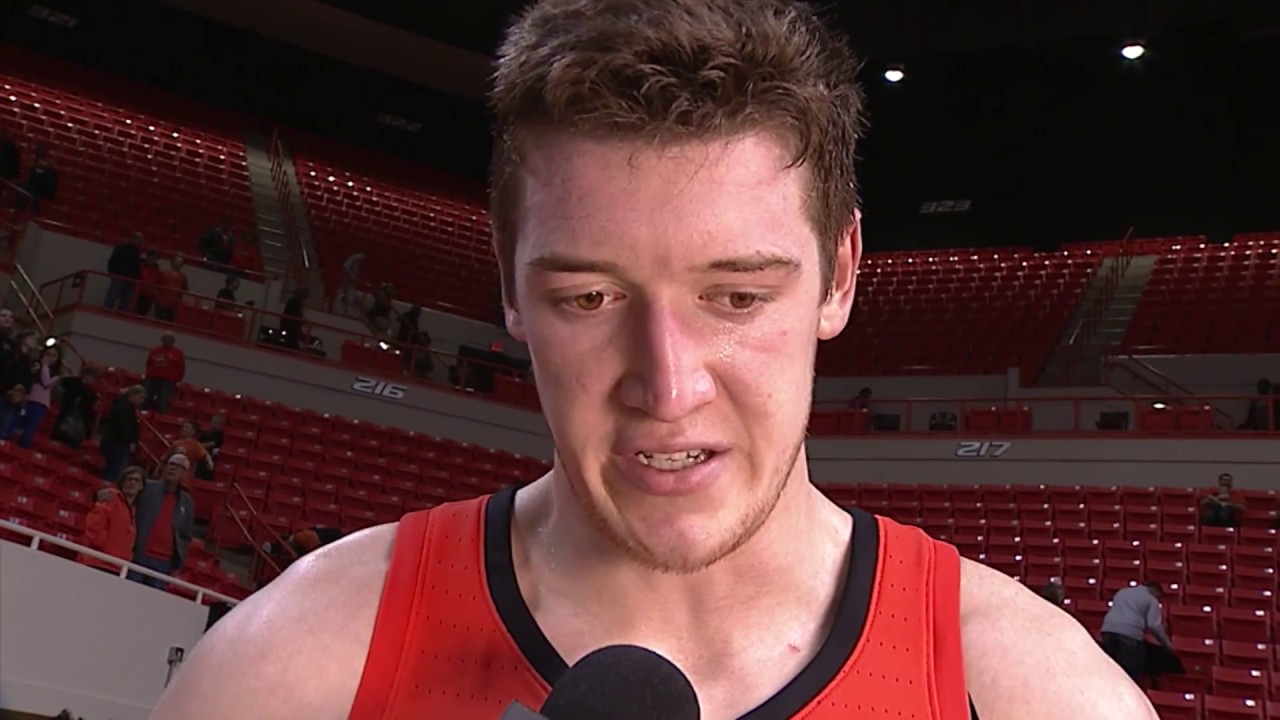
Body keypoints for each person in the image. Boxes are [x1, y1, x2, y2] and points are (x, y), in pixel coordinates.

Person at [151, 2, 1156, 719]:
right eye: (588, 299)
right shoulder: (290, 670)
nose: (667, 388)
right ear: (508, 285)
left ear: (839, 275)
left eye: (736, 297)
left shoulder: (1033, 694)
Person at [130, 454, 196, 589]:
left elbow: (185, 535)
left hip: (165, 563)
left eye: (178, 466)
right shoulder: (147, 488)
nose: (172, 468)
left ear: (184, 473)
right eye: (170, 464)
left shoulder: (187, 503)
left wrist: (178, 561)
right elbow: (125, 497)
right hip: (139, 556)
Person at [1100, 583, 1175, 686]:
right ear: (1156, 592)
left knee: (1110, 666)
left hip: (1108, 630)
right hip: (1129, 634)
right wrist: (1167, 644)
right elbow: (1154, 625)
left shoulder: (1122, 592)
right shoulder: (1151, 599)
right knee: (1131, 672)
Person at [78, 466, 144, 573]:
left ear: (141, 486)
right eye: (129, 479)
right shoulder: (110, 498)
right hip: (98, 562)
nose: (132, 483)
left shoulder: (132, 511)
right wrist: (111, 553)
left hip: (115, 566)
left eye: (136, 480)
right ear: (122, 482)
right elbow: (94, 529)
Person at [8, 344, 61, 448]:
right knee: (14, 424)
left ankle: (23, 451)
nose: (50, 357)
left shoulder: (56, 374)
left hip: (40, 404)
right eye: (48, 354)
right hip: (26, 400)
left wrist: (45, 367)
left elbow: (46, 382)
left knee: (29, 430)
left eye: (54, 355)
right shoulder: (35, 366)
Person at [99, 385, 145, 482]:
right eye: (140, 397)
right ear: (132, 395)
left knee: (111, 471)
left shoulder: (122, 406)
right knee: (114, 473)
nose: (142, 401)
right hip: (117, 444)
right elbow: (125, 426)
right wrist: (131, 441)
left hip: (112, 442)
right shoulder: (125, 408)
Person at [51, 365, 101, 449]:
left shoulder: (90, 394)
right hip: (70, 428)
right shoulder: (87, 394)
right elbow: (85, 415)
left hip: (65, 426)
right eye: (94, 378)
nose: (94, 381)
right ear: (87, 375)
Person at [143, 332, 185, 413]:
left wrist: (174, 380)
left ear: (173, 340)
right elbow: (148, 364)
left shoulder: (178, 353)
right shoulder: (154, 350)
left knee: (163, 403)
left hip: (167, 382)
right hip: (152, 379)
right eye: (165, 338)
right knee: (144, 399)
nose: (167, 340)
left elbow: (181, 369)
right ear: (162, 339)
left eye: (169, 338)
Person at [104, 232, 144, 312]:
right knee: (111, 299)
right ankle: (106, 313)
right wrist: (114, 275)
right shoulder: (122, 248)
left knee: (125, 304)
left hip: (129, 281)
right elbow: (112, 262)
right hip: (120, 278)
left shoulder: (136, 252)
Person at [155, 255, 190, 323]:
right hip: (161, 302)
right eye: (177, 262)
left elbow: (186, 290)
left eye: (180, 263)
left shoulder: (183, 277)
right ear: (173, 262)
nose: (178, 264)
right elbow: (157, 286)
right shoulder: (164, 273)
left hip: (174, 305)